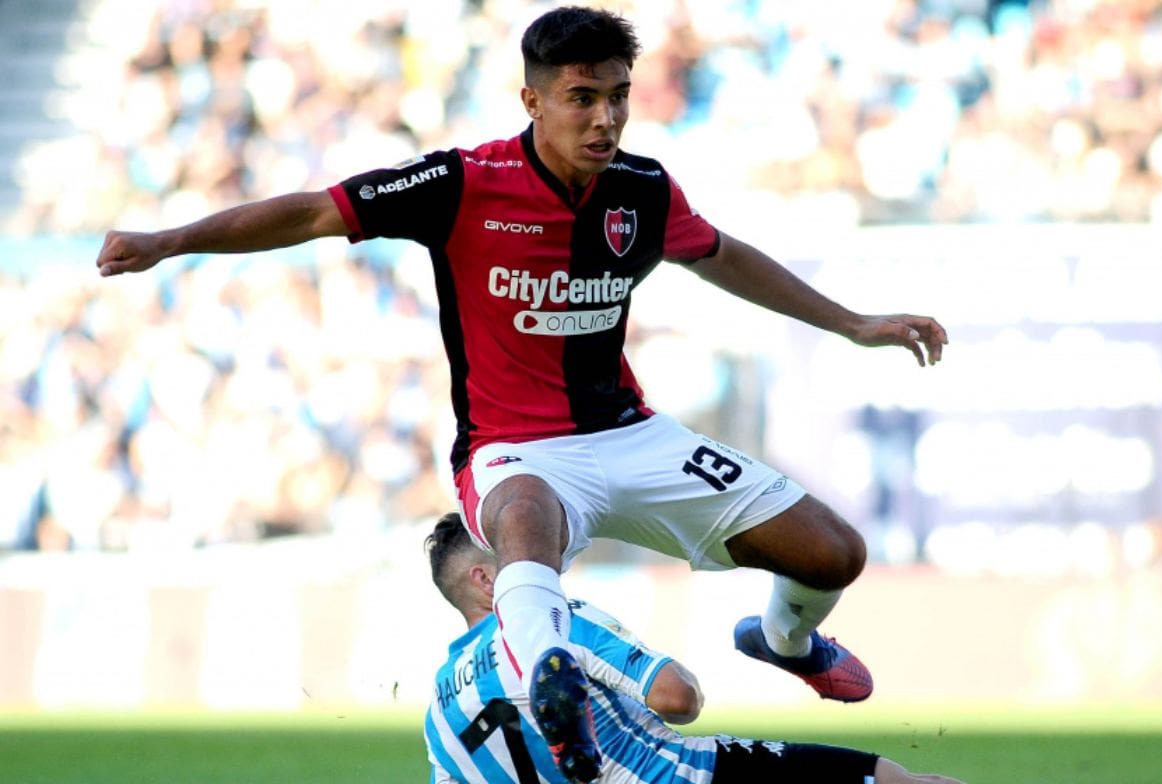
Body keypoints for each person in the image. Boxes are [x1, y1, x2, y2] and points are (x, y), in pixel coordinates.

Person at [95, 7, 947, 781]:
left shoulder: (643, 193)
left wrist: (853, 323)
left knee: (834, 553)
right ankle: (554, 686)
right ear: (532, 100)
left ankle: (784, 639)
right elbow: (315, 213)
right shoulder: (461, 184)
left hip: (628, 432)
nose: (605, 118)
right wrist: (171, 241)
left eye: (617, 96)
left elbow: (721, 255)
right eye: (582, 97)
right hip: (513, 447)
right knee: (527, 517)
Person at [424, 512, 965, 784]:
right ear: (486, 579)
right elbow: (676, 698)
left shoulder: (438, 710)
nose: (541, 562)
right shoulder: (552, 621)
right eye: (519, 557)